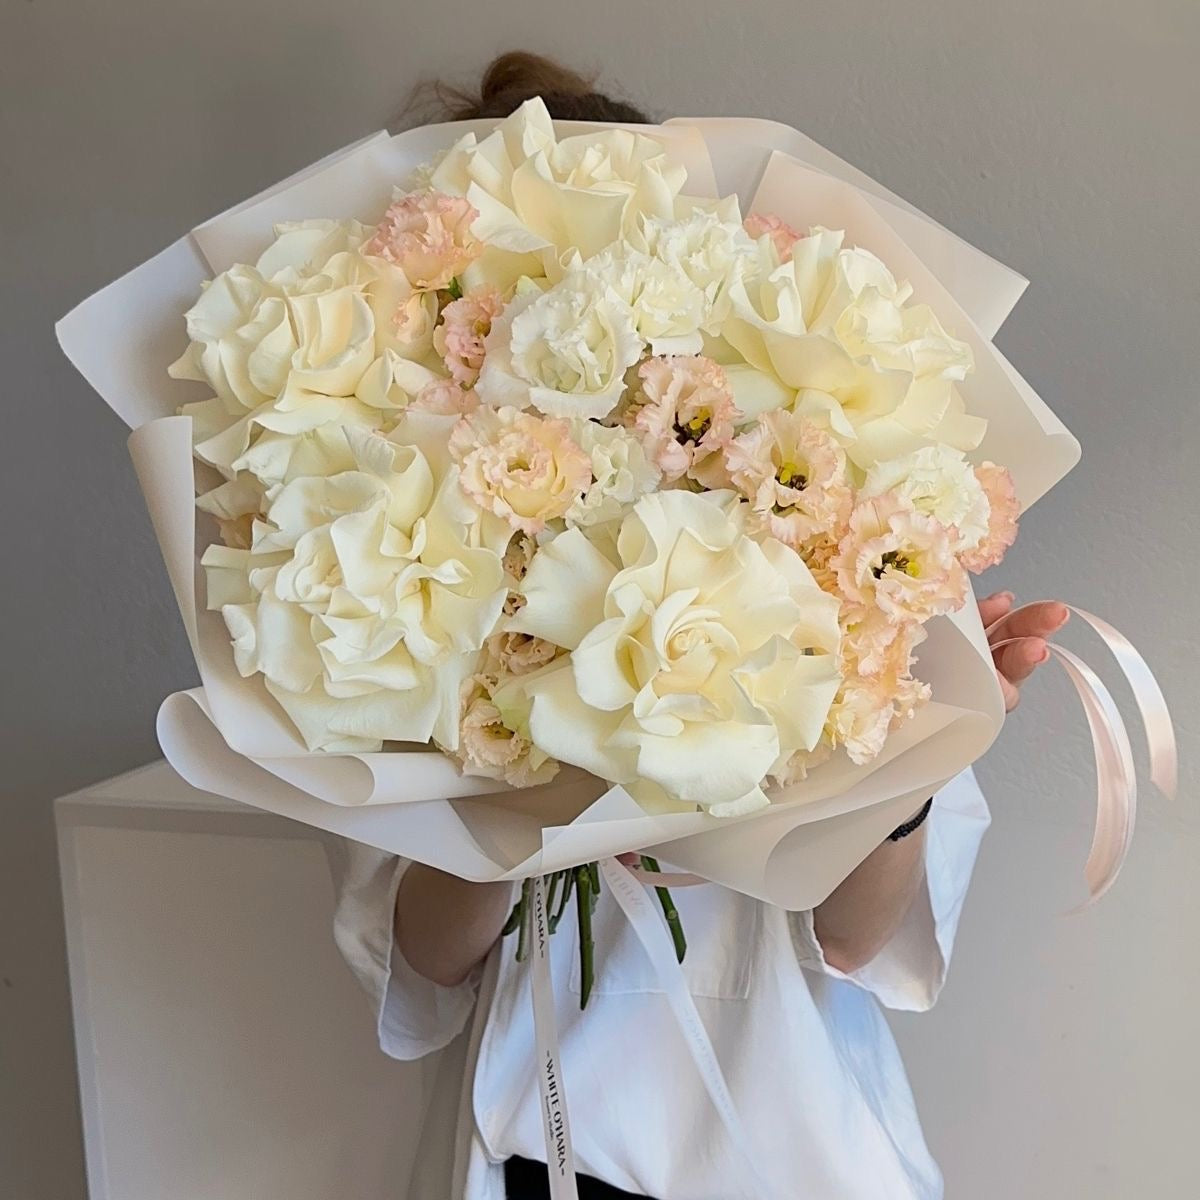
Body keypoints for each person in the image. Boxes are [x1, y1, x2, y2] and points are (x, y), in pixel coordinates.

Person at [328, 52, 1069, 1200]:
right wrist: (530, 746)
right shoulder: (411, 597)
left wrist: (913, 753)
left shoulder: (831, 545)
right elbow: (425, 957)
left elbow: (859, 939)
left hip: (799, 1149)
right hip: (540, 1152)